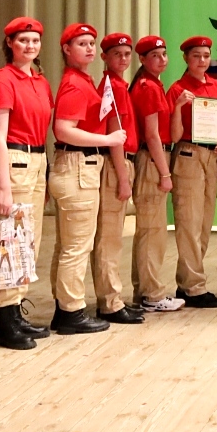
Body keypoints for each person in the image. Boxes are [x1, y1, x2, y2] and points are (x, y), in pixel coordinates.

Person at [46, 22, 125, 334]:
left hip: (81, 164)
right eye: (82, 44)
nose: (90, 48)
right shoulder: (75, 84)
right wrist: (108, 140)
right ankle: (71, 311)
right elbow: (63, 129)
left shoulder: (83, 80)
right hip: (77, 165)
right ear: (67, 50)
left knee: (70, 244)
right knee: (77, 245)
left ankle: (65, 307)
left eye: (92, 43)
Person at [0, 17, 55, 349]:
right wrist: (4, 187)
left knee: (28, 244)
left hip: (37, 161)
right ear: (10, 44)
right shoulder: (3, 79)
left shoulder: (40, 81)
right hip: (14, 161)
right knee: (7, 242)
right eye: (23, 40)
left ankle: (15, 311)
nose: (30, 46)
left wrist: (45, 173)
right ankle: (5, 321)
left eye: (35, 40)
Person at [167, 36, 217, 308]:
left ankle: (188, 282)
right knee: (189, 223)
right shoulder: (177, 89)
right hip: (188, 154)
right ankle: (194, 286)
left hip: (211, 156)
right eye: (196, 56)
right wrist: (178, 107)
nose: (202, 61)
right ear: (186, 58)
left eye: (206, 55)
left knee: (204, 223)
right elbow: (173, 135)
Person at [126, 35, 186, 313]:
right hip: (152, 159)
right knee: (153, 232)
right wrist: (165, 173)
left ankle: (144, 291)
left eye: (164, 54)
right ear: (142, 59)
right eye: (155, 56)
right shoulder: (147, 87)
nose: (162, 60)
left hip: (155, 157)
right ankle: (151, 295)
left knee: (149, 231)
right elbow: (151, 135)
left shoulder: (154, 85)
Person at [91, 32, 146, 325]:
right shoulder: (112, 87)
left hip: (125, 160)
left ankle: (113, 297)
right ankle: (110, 302)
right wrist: (123, 178)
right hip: (117, 162)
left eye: (127, 54)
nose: (123, 59)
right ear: (105, 57)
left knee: (113, 235)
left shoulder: (120, 85)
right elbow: (114, 133)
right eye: (117, 54)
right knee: (110, 236)